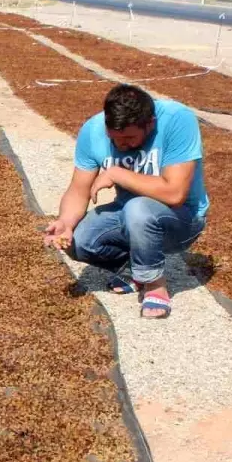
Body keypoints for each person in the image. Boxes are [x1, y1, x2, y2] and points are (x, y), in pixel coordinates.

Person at [43, 83, 209, 318]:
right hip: (128, 214)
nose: (122, 145)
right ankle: (135, 270)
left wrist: (116, 173)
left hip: (182, 217)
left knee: (138, 208)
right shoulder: (92, 131)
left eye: (130, 138)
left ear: (149, 123)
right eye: (115, 139)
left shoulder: (177, 119)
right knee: (79, 241)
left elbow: (175, 193)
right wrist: (65, 223)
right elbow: (78, 189)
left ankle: (154, 284)